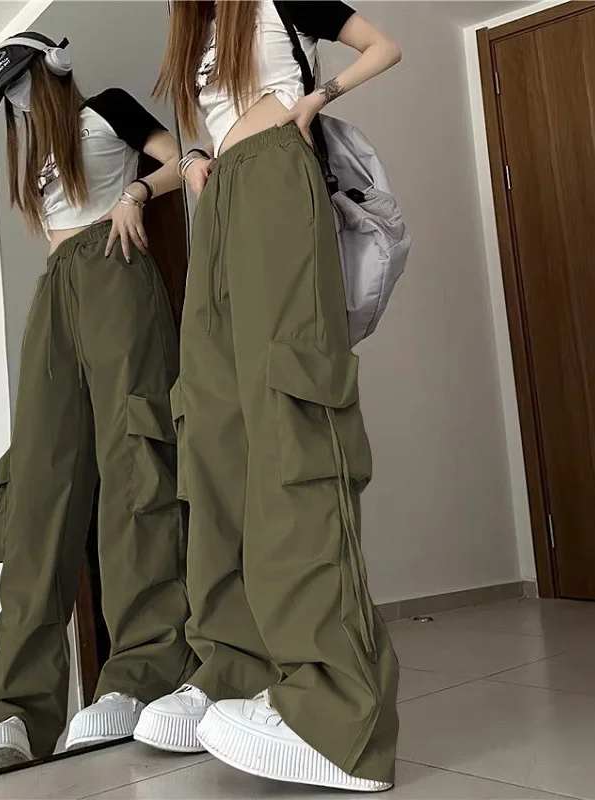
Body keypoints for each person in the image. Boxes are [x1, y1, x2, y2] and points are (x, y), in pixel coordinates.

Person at [133, 1, 402, 792]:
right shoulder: (190, 23)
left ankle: (338, 716)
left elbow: (384, 47)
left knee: (293, 420)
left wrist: (316, 100)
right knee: (214, 430)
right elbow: (202, 119)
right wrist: (192, 160)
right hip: (219, 198)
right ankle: (232, 667)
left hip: (281, 173)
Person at [0, 31, 195, 775]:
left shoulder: (109, 109)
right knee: (38, 482)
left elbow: (182, 159)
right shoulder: (33, 152)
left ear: (54, 66)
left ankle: (142, 670)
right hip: (56, 291)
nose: (20, 102)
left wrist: (135, 194)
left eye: (24, 82)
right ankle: (14, 707)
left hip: (114, 266)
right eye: (8, 97)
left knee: (135, 464)